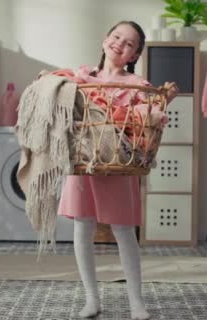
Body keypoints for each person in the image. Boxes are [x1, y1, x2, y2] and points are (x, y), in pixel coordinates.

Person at [57, 21, 177, 320]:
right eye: (117, 37)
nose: (120, 44)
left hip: (118, 162)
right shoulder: (82, 78)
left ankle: (136, 302)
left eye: (130, 44)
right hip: (84, 161)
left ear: (134, 55)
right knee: (82, 227)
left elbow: (144, 119)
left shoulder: (137, 86)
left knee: (123, 230)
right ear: (104, 39)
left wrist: (153, 112)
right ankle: (91, 299)